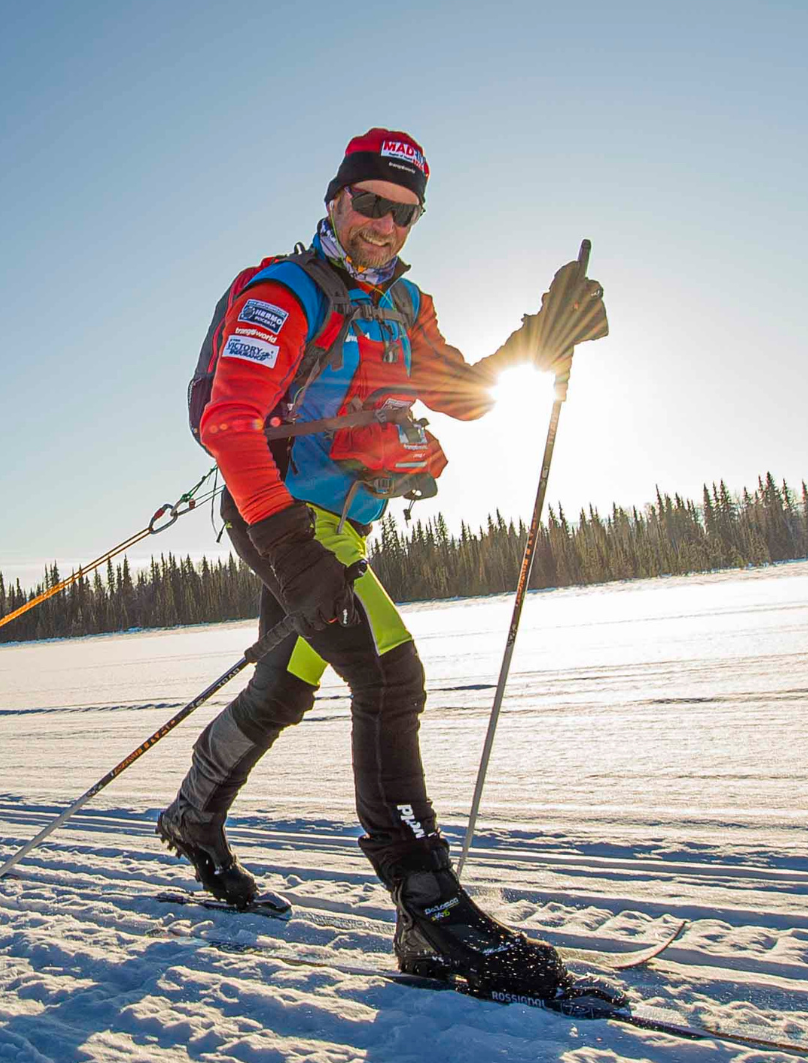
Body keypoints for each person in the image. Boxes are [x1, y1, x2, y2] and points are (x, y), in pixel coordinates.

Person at [160, 128, 608, 997]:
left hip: (339, 529)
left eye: (404, 212)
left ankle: (193, 815)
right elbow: (228, 421)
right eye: (370, 202)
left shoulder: (407, 308)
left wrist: (544, 337)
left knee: (284, 687)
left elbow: (465, 394)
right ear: (335, 200)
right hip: (285, 518)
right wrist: (289, 541)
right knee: (391, 677)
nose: (385, 224)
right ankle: (427, 906)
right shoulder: (282, 293)